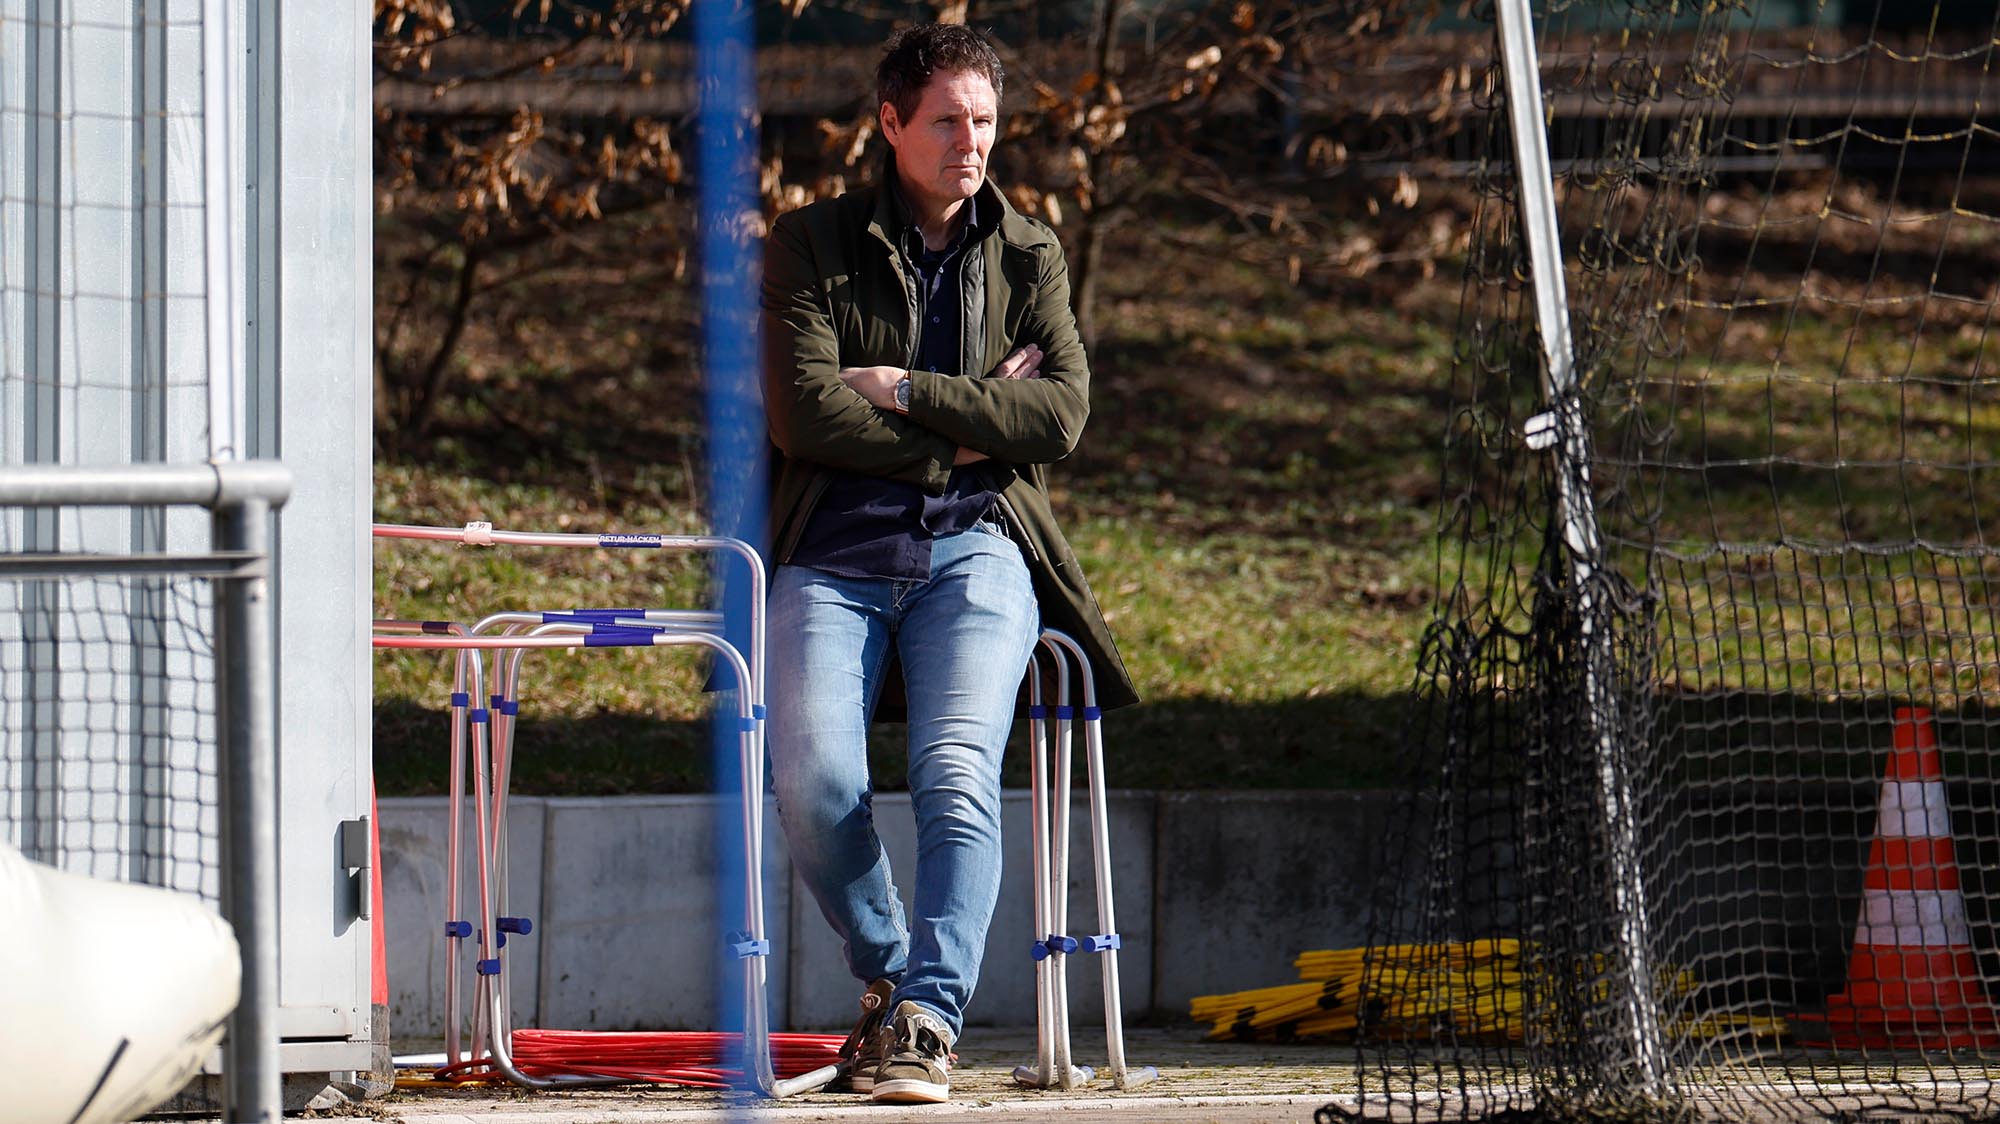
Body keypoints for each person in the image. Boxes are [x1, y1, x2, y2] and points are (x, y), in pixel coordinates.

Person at [759, 22, 1137, 1106]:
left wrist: (910, 389)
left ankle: (927, 1018)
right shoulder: (808, 245)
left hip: (976, 549)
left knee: (956, 773)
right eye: (945, 121)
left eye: (982, 120)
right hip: (829, 553)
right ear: (890, 124)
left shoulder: (1028, 253)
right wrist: (980, 419)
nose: (969, 141)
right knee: (816, 781)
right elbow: (803, 416)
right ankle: (888, 977)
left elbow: (1057, 415)